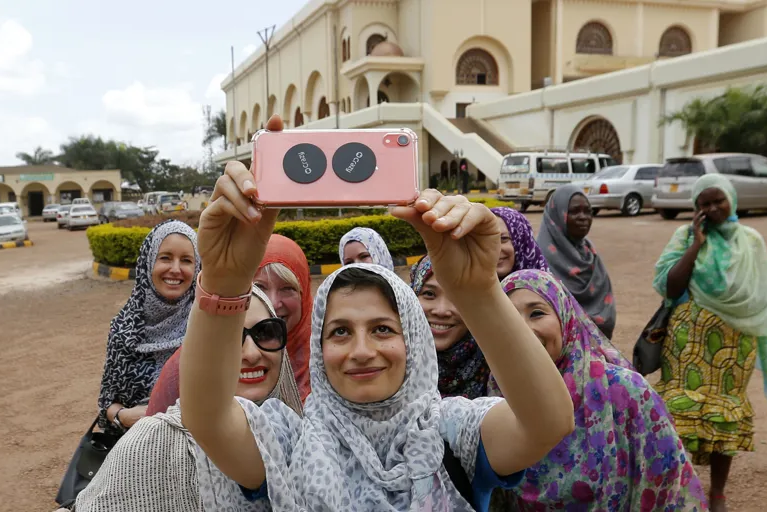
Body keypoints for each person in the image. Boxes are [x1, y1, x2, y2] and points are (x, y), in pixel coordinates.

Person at [176, 132, 574, 509]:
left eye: (382, 329)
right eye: (340, 332)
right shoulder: (288, 442)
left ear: (413, 341)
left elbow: (547, 423)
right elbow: (207, 418)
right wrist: (224, 281)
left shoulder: (451, 434)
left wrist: (479, 292)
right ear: (319, 348)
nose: (362, 352)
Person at [489, 269, 707, 511]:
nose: (522, 330)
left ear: (565, 319)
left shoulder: (625, 393)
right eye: (509, 317)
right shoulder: (494, 397)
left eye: (537, 313)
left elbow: (669, 488)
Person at [72, 286, 303, 512]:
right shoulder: (155, 441)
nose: (252, 354)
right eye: (229, 337)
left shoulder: (302, 433)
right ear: (201, 351)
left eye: (267, 333)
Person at [652, 174, 767, 512]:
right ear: (695, 209)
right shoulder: (684, 236)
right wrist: (696, 244)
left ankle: (718, 494)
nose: (712, 209)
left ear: (732, 200)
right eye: (704, 203)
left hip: (735, 345)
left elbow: (762, 295)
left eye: (718, 201)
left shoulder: (751, 241)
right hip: (687, 345)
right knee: (681, 414)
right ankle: (679, 488)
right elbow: (670, 287)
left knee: (724, 415)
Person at [145, 234, 315, 413]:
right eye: (259, 287)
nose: (272, 301)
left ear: (304, 295)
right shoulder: (192, 364)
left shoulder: (326, 359)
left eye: (287, 288)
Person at [97, 219, 200, 433]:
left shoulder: (207, 327)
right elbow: (107, 402)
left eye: (187, 260)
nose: (175, 269)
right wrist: (122, 416)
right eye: (165, 258)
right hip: (136, 453)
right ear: (148, 262)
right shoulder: (126, 329)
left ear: (197, 267)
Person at [538, 184, 616, 339]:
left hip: (598, 355)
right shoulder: (539, 259)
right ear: (557, 215)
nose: (583, 217)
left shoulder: (589, 253)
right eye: (574, 211)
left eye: (588, 211)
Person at [410, 255, 490, 399]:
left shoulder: (498, 363)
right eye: (429, 294)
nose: (441, 311)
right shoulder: (391, 360)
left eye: (457, 296)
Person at [490, 207, 550, 280]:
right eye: (486, 241)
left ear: (522, 241)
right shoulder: (474, 287)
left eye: (503, 239)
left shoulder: (543, 286)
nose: (495, 250)